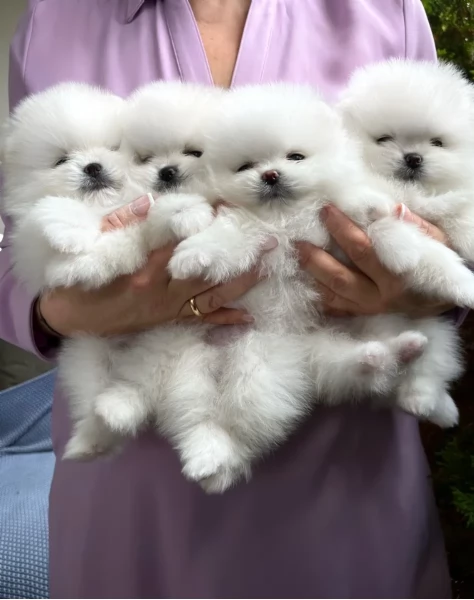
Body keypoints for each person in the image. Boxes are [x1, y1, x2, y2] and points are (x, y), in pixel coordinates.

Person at [0, 0, 466, 597]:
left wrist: (428, 288)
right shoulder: (53, 19)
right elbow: (12, 246)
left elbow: (453, 190)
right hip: (136, 491)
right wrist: (54, 311)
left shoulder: (385, 12)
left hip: (344, 479)